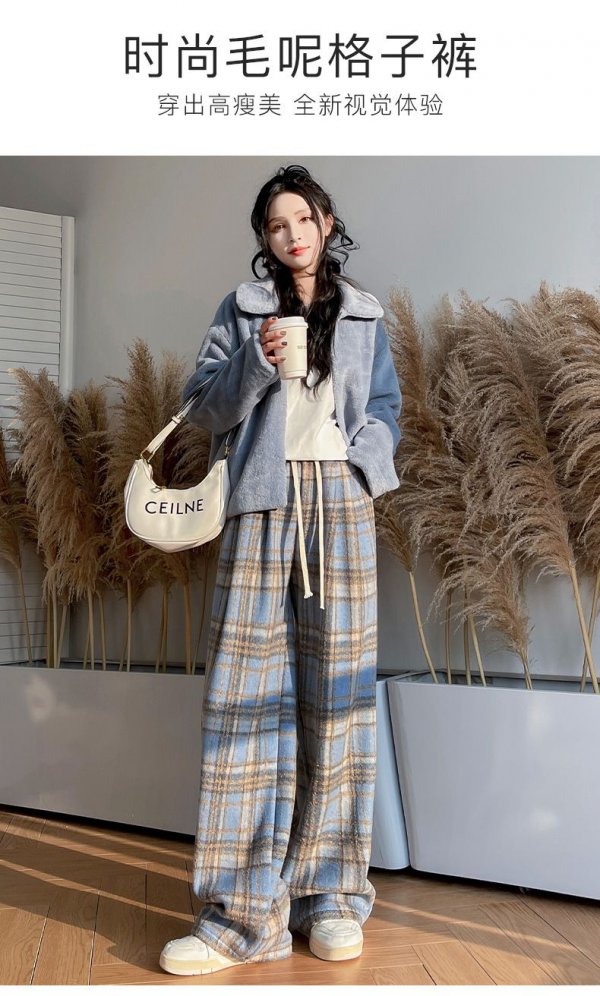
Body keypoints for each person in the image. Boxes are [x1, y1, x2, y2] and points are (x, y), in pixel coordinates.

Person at [159, 164, 402, 977]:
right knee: (244, 702)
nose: (292, 234)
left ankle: (328, 895)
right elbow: (202, 407)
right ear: (265, 238)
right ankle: (239, 917)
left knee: (339, 701)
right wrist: (257, 362)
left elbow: (386, 410)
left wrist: (361, 469)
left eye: (303, 218)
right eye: (276, 224)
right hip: (261, 501)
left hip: (341, 506)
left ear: (327, 223)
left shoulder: (364, 313)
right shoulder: (243, 309)